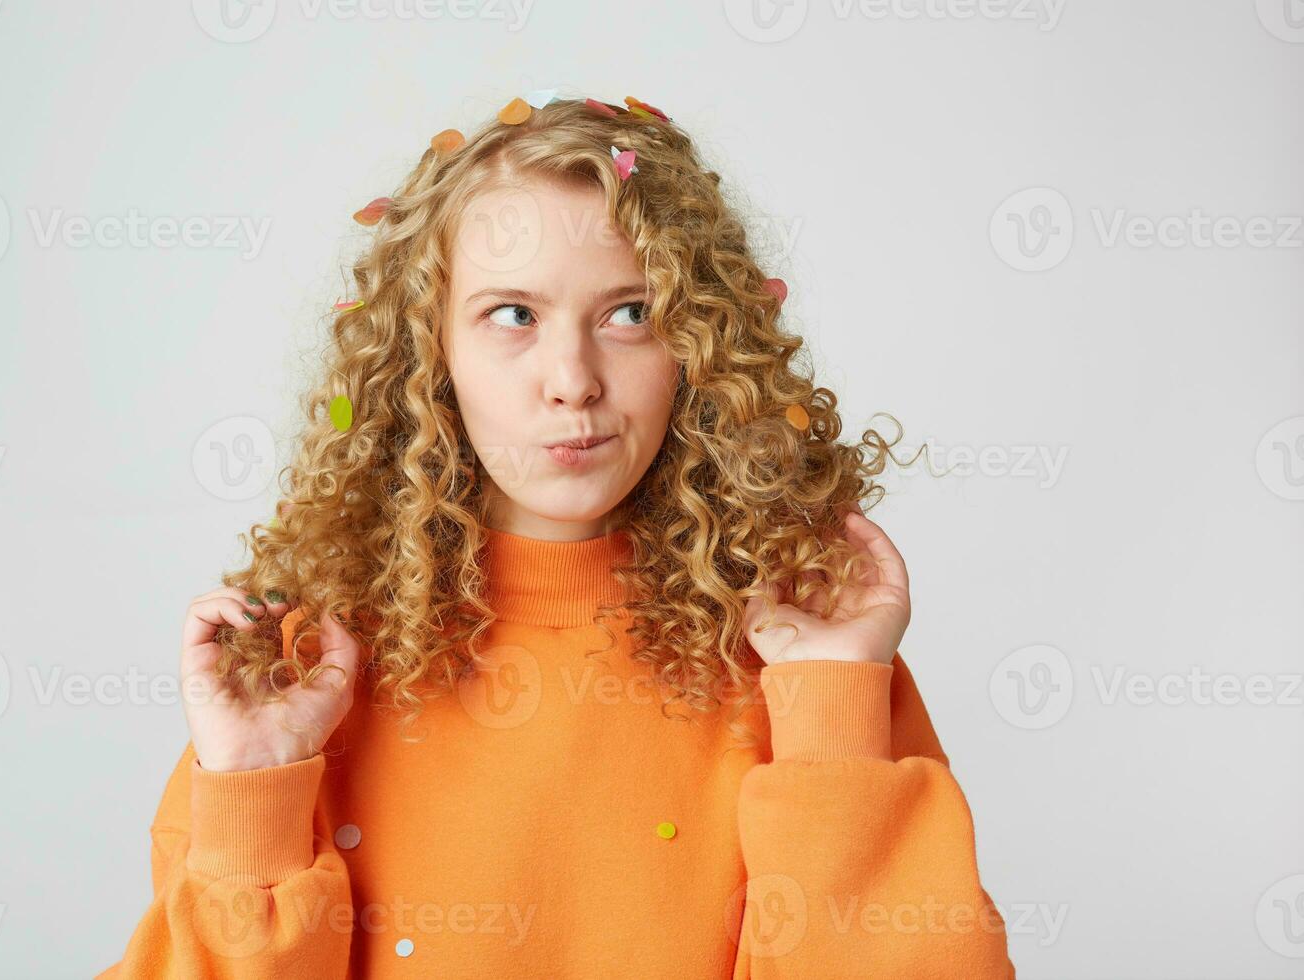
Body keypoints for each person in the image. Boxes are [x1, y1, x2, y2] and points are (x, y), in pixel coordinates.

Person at [97, 92, 1016, 979]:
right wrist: (255, 795)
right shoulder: (305, 677)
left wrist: (832, 715)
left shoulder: (802, 655)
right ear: (429, 356)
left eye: (629, 313)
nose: (572, 379)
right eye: (514, 315)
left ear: (699, 348)